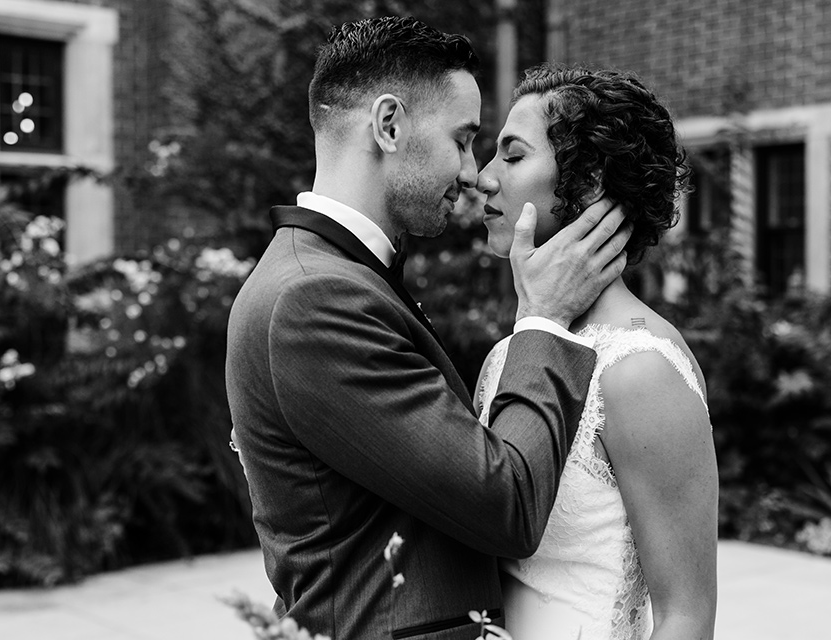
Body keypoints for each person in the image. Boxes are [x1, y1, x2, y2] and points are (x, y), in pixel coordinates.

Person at [225, 18, 632, 640]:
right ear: (389, 125)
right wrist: (543, 321)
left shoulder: (331, 277)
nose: (474, 172)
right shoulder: (316, 298)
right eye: (463, 139)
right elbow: (505, 505)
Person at [474, 65, 719, 640]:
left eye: (511, 157)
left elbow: (687, 617)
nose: (484, 179)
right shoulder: (505, 357)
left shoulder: (640, 371)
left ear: (588, 185)